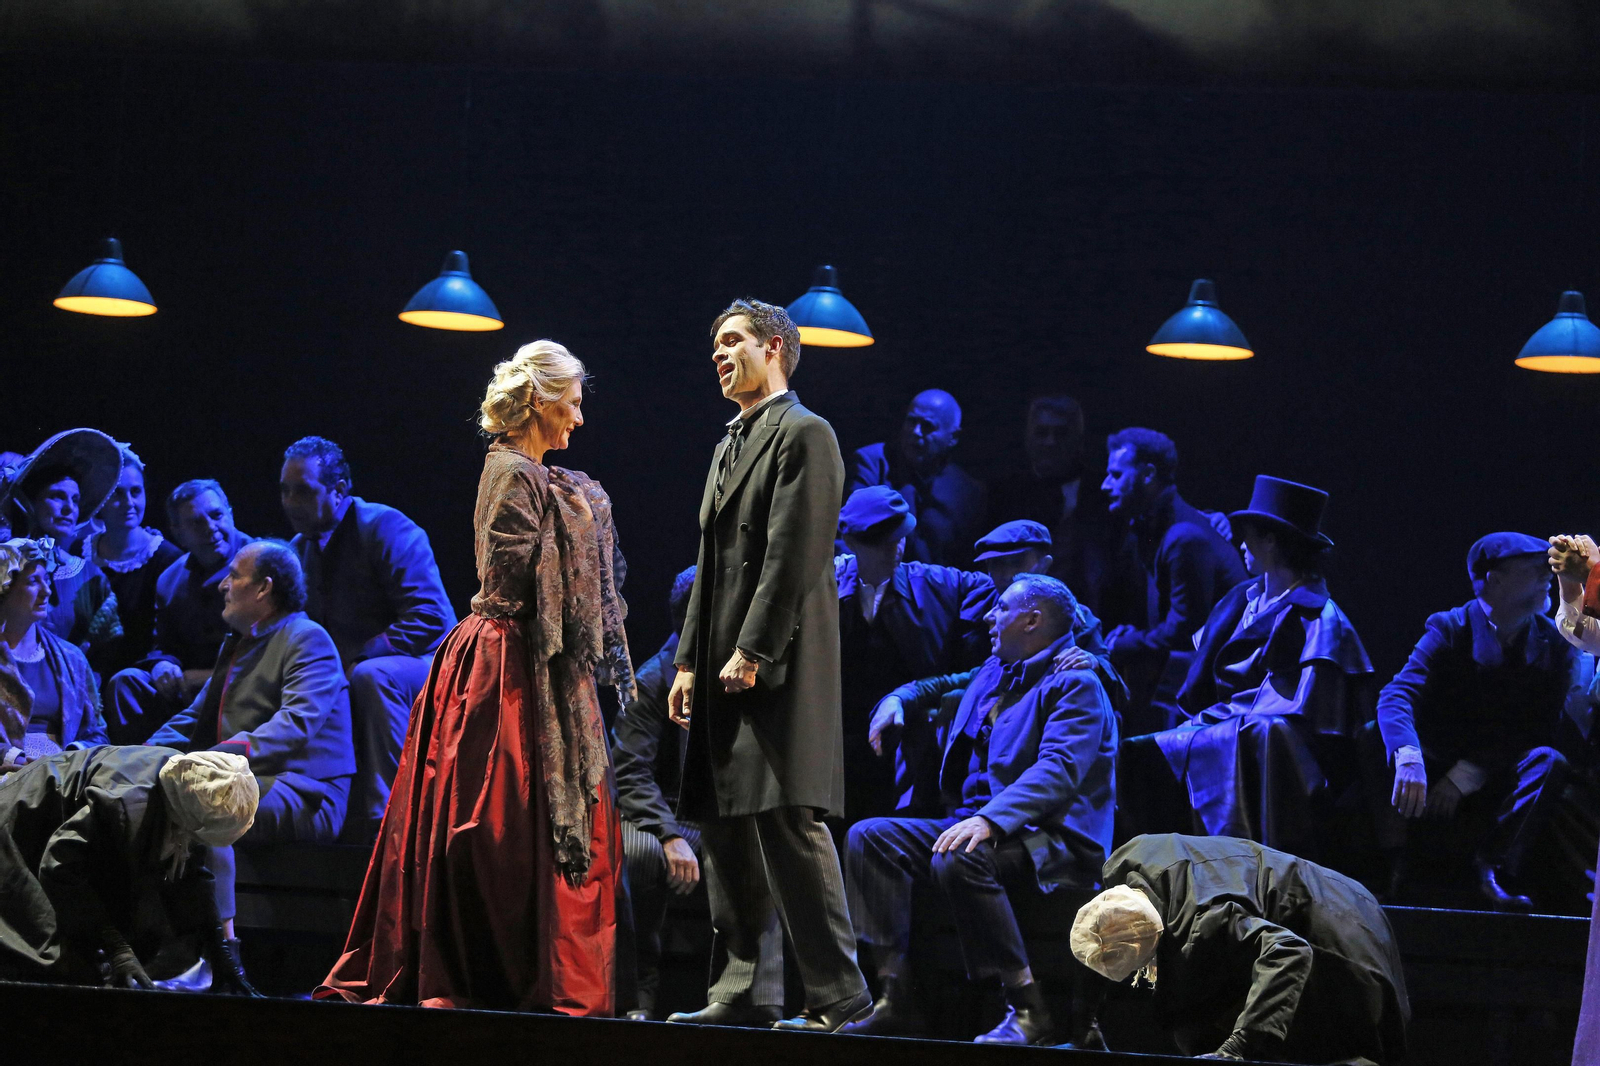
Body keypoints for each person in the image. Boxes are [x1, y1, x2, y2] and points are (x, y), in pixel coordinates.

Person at [318, 340, 635, 1014]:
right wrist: (578, 510)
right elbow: (520, 577)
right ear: (544, 399)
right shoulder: (520, 473)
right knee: (499, 821)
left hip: (513, 652)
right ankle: (509, 971)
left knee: (512, 817)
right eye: (573, 403)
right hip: (510, 658)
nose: (579, 418)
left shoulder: (520, 468)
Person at [666, 299, 871, 1032]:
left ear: (775, 347)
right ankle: (746, 988)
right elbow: (709, 566)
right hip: (721, 656)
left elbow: (793, 552)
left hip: (776, 657)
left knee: (787, 820)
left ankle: (840, 998)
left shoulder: (806, 433)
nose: (718, 355)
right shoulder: (730, 441)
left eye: (732, 342)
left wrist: (753, 650)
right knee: (724, 820)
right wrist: (689, 660)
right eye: (713, 344)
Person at [842, 574, 1118, 1046]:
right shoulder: (996, 670)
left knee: (959, 854)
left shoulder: (1075, 684)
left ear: (1032, 621)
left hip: (1049, 836)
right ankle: (895, 996)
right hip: (981, 820)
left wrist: (991, 819)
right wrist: (897, 699)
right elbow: (940, 685)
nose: (989, 617)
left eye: (1002, 609)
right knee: (870, 837)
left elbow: (1059, 770)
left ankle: (1029, 1008)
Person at [1118, 477, 1374, 858]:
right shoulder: (1243, 598)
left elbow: (1295, 704)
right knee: (1138, 752)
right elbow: (1201, 672)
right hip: (1222, 719)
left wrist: (1220, 722)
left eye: (1249, 535)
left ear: (1271, 541)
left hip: (1268, 731)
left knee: (1250, 737)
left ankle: (1235, 864)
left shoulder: (1318, 616)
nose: (1240, 543)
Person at [614, 566, 783, 1022]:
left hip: (724, 813)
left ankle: (760, 1002)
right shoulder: (651, 679)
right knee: (636, 852)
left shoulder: (735, 673)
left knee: (767, 848)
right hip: (668, 814)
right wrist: (669, 836)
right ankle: (636, 997)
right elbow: (630, 771)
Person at [1074, 833, 1409, 1064]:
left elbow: (1288, 951)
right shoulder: (1127, 869)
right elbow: (1102, 935)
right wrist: (1084, 1021)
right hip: (1318, 894)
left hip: (1340, 931)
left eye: (1142, 969)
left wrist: (1238, 1049)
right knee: (1192, 1017)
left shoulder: (1206, 922)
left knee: (1334, 1051)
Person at [1379, 532, 1579, 910]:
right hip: (1435, 769)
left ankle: (1494, 868)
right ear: (1495, 580)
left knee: (1549, 761)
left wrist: (1470, 771)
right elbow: (1397, 695)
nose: (1546, 578)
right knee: (1376, 736)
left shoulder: (1551, 643)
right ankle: (1393, 866)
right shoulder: (1450, 628)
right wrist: (1408, 754)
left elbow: (1539, 727)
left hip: (1497, 772)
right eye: (1534, 570)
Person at [279, 435, 456, 842]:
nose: (290, 502)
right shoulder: (298, 551)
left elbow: (431, 618)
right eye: (285, 490)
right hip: (355, 670)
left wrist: (355, 657)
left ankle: (393, 817)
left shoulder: (384, 526)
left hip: (425, 665)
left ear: (339, 491)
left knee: (371, 677)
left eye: (303, 491)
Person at [0, 746, 260, 993]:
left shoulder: (189, 784)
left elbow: (191, 872)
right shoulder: (127, 804)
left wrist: (219, 950)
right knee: (50, 960)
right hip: (18, 833)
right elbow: (61, 869)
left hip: (57, 843)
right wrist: (117, 948)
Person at [836, 486, 993, 823]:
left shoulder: (938, 584)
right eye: (881, 542)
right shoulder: (827, 585)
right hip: (840, 748)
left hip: (914, 749)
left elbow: (1019, 591)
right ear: (851, 542)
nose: (894, 548)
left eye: (900, 537)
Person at [1101, 427, 1246, 734]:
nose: (1104, 485)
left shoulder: (1183, 536)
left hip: (1218, 697)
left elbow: (1185, 633)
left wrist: (1128, 644)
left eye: (1115, 475)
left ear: (1148, 475)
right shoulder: (1154, 529)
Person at [104, 480, 254, 743]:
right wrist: (164, 664)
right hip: (187, 691)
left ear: (230, 513)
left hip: (248, 685)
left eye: (217, 515)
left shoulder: (264, 563)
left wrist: (206, 677)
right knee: (127, 682)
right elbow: (164, 644)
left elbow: (273, 651)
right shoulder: (170, 580)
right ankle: (138, 770)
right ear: (177, 532)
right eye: (196, 522)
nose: (211, 527)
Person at [987, 396, 1135, 619]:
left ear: (1079, 440)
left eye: (1061, 433)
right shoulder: (1005, 495)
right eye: (1042, 433)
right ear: (1028, 438)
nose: (1050, 442)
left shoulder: (1103, 494)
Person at [0, 429, 123, 664]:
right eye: (57, 497)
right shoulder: (5, 566)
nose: (69, 508)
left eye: (75, 500)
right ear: (30, 501)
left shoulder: (90, 577)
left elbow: (108, 657)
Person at [0, 538, 109, 773]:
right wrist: (14, 759)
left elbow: (96, 732)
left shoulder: (70, 657)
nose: (46, 591)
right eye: (32, 582)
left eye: (47, 579)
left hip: (66, 769)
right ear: (6, 588)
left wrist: (71, 757)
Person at [844, 389, 987, 567]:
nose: (916, 432)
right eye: (911, 421)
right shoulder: (871, 463)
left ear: (953, 437)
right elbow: (850, 533)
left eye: (927, 426)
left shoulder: (967, 491)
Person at [90, 441, 182, 682]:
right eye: (117, 494)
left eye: (135, 492)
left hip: (143, 680)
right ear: (101, 499)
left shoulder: (167, 558)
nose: (129, 503)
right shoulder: (82, 553)